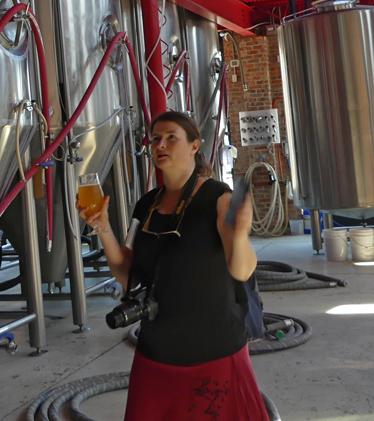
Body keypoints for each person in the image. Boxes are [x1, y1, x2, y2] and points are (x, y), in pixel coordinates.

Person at [78, 110, 268, 421]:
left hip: (214, 351)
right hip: (157, 351)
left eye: (171, 138)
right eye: (155, 139)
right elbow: (128, 273)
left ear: (194, 146)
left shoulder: (219, 197)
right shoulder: (146, 204)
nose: (160, 145)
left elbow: (242, 270)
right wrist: (103, 227)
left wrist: (242, 232)